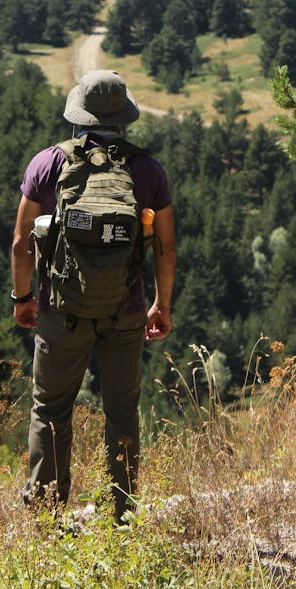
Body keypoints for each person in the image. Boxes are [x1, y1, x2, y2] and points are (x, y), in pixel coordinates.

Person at [11, 69, 176, 522]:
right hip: (125, 311)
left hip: (60, 309)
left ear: (78, 114)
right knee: (121, 411)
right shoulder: (146, 170)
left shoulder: (48, 163)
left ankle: (45, 517)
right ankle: (121, 517)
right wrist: (161, 304)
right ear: (124, 117)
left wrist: (23, 297)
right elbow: (166, 246)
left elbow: (21, 240)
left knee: (50, 409)